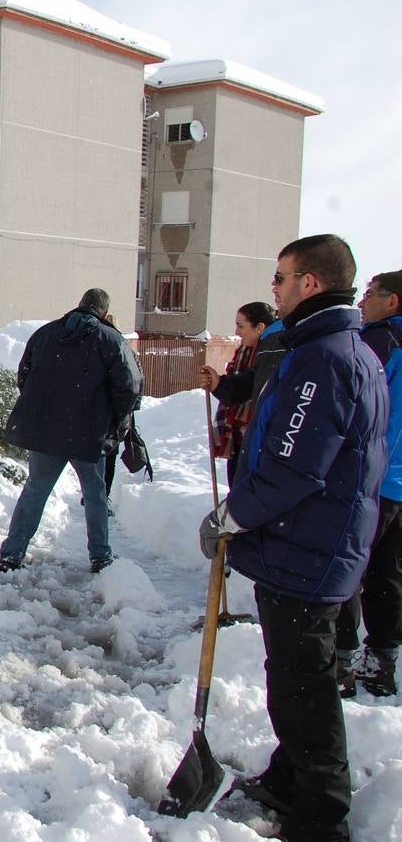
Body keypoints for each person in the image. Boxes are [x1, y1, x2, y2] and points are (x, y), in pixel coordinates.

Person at [198, 234, 386, 842]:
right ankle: (289, 777)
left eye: (280, 278)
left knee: (304, 687)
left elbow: (293, 465)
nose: (272, 288)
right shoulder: (331, 349)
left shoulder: (324, 359)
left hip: (310, 549)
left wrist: (234, 515)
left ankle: (322, 813)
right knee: (297, 678)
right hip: (310, 544)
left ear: (310, 282)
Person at [0, 288, 142, 574]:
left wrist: (44, 409)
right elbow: (129, 387)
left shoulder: (46, 333)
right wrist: (113, 421)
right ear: (103, 312)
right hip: (89, 432)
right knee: (95, 494)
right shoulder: (111, 340)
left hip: (47, 431)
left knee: (36, 489)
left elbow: (24, 374)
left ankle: (12, 554)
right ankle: (100, 556)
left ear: (80, 305)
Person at [334, 270, 402, 698]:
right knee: (388, 572)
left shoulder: (380, 341)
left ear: (393, 301)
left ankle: (338, 661)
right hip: (398, 481)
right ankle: (381, 659)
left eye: (372, 294)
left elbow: (356, 405)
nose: (362, 301)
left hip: (374, 477)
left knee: (346, 566)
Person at [197, 301, 276, 484]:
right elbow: (239, 386)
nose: (236, 332)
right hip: (238, 436)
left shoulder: (270, 355)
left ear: (260, 327)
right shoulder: (244, 352)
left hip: (257, 436)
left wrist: (223, 385)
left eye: (241, 326)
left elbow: (252, 386)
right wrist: (217, 383)